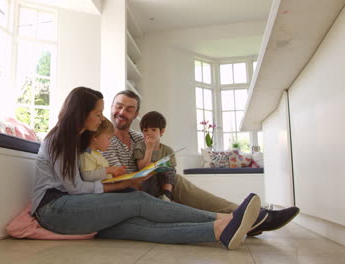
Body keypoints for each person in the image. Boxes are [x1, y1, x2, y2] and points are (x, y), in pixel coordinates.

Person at [30, 86, 262, 249]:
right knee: (137, 199)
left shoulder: (82, 139)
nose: (102, 119)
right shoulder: (60, 139)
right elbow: (76, 188)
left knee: (141, 228)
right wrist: (123, 185)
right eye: (98, 114)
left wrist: (127, 182)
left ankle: (219, 229)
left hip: (77, 209)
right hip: (56, 209)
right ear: (82, 114)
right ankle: (228, 217)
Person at [102, 90, 300, 236]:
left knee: (175, 180)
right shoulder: (105, 139)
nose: (122, 112)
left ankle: (252, 216)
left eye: (129, 109)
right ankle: (253, 217)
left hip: (153, 184)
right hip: (134, 193)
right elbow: (123, 179)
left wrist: (161, 166)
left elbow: (162, 154)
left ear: (135, 115)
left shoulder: (140, 136)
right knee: (178, 186)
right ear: (112, 107)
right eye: (118, 106)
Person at [134, 111, 176, 201]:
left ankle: (167, 195)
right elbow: (141, 168)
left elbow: (171, 173)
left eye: (153, 130)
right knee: (149, 172)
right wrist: (149, 149)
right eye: (145, 130)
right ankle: (154, 199)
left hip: (164, 182)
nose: (149, 133)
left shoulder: (168, 150)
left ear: (162, 131)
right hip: (148, 180)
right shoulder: (140, 147)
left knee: (170, 170)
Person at [79, 117, 126, 181]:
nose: (110, 142)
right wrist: (108, 170)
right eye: (108, 138)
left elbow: (100, 175)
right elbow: (87, 176)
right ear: (96, 136)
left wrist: (113, 174)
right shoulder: (87, 155)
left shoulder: (97, 154)